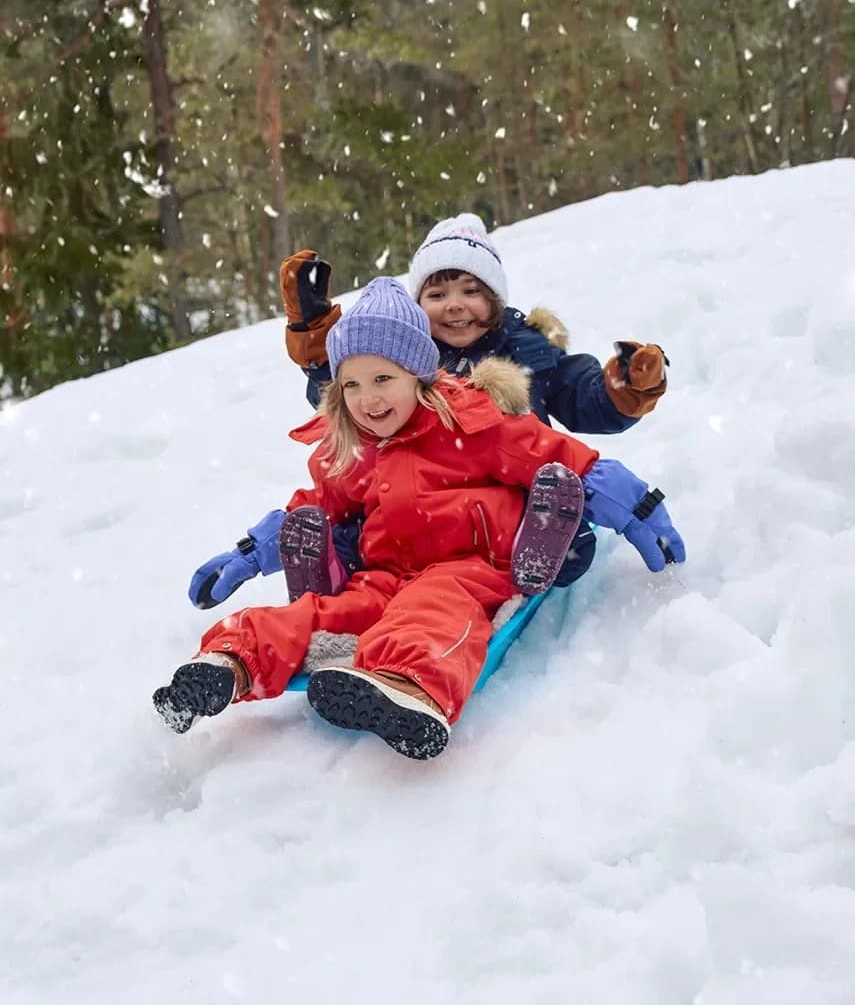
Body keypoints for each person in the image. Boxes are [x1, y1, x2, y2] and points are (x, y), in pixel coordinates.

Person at [157, 278, 685, 760]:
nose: (368, 399)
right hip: (386, 572)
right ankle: (228, 664)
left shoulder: (474, 422)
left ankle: (410, 685)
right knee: (320, 614)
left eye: (383, 378)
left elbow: (560, 455)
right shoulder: (355, 448)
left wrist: (636, 507)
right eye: (352, 386)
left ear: (418, 375)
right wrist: (248, 554)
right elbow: (314, 505)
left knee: (434, 609)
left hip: (471, 565)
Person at [275, 212, 670, 595]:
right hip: (412, 499)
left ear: (496, 299)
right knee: (358, 524)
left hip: (507, 492)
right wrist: (312, 332)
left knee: (570, 540)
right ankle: (333, 569)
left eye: (471, 291)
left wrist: (625, 387)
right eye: (436, 294)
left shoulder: (527, 350)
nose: (454, 304)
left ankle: (534, 548)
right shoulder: (403, 358)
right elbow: (346, 392)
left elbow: (584, 398)